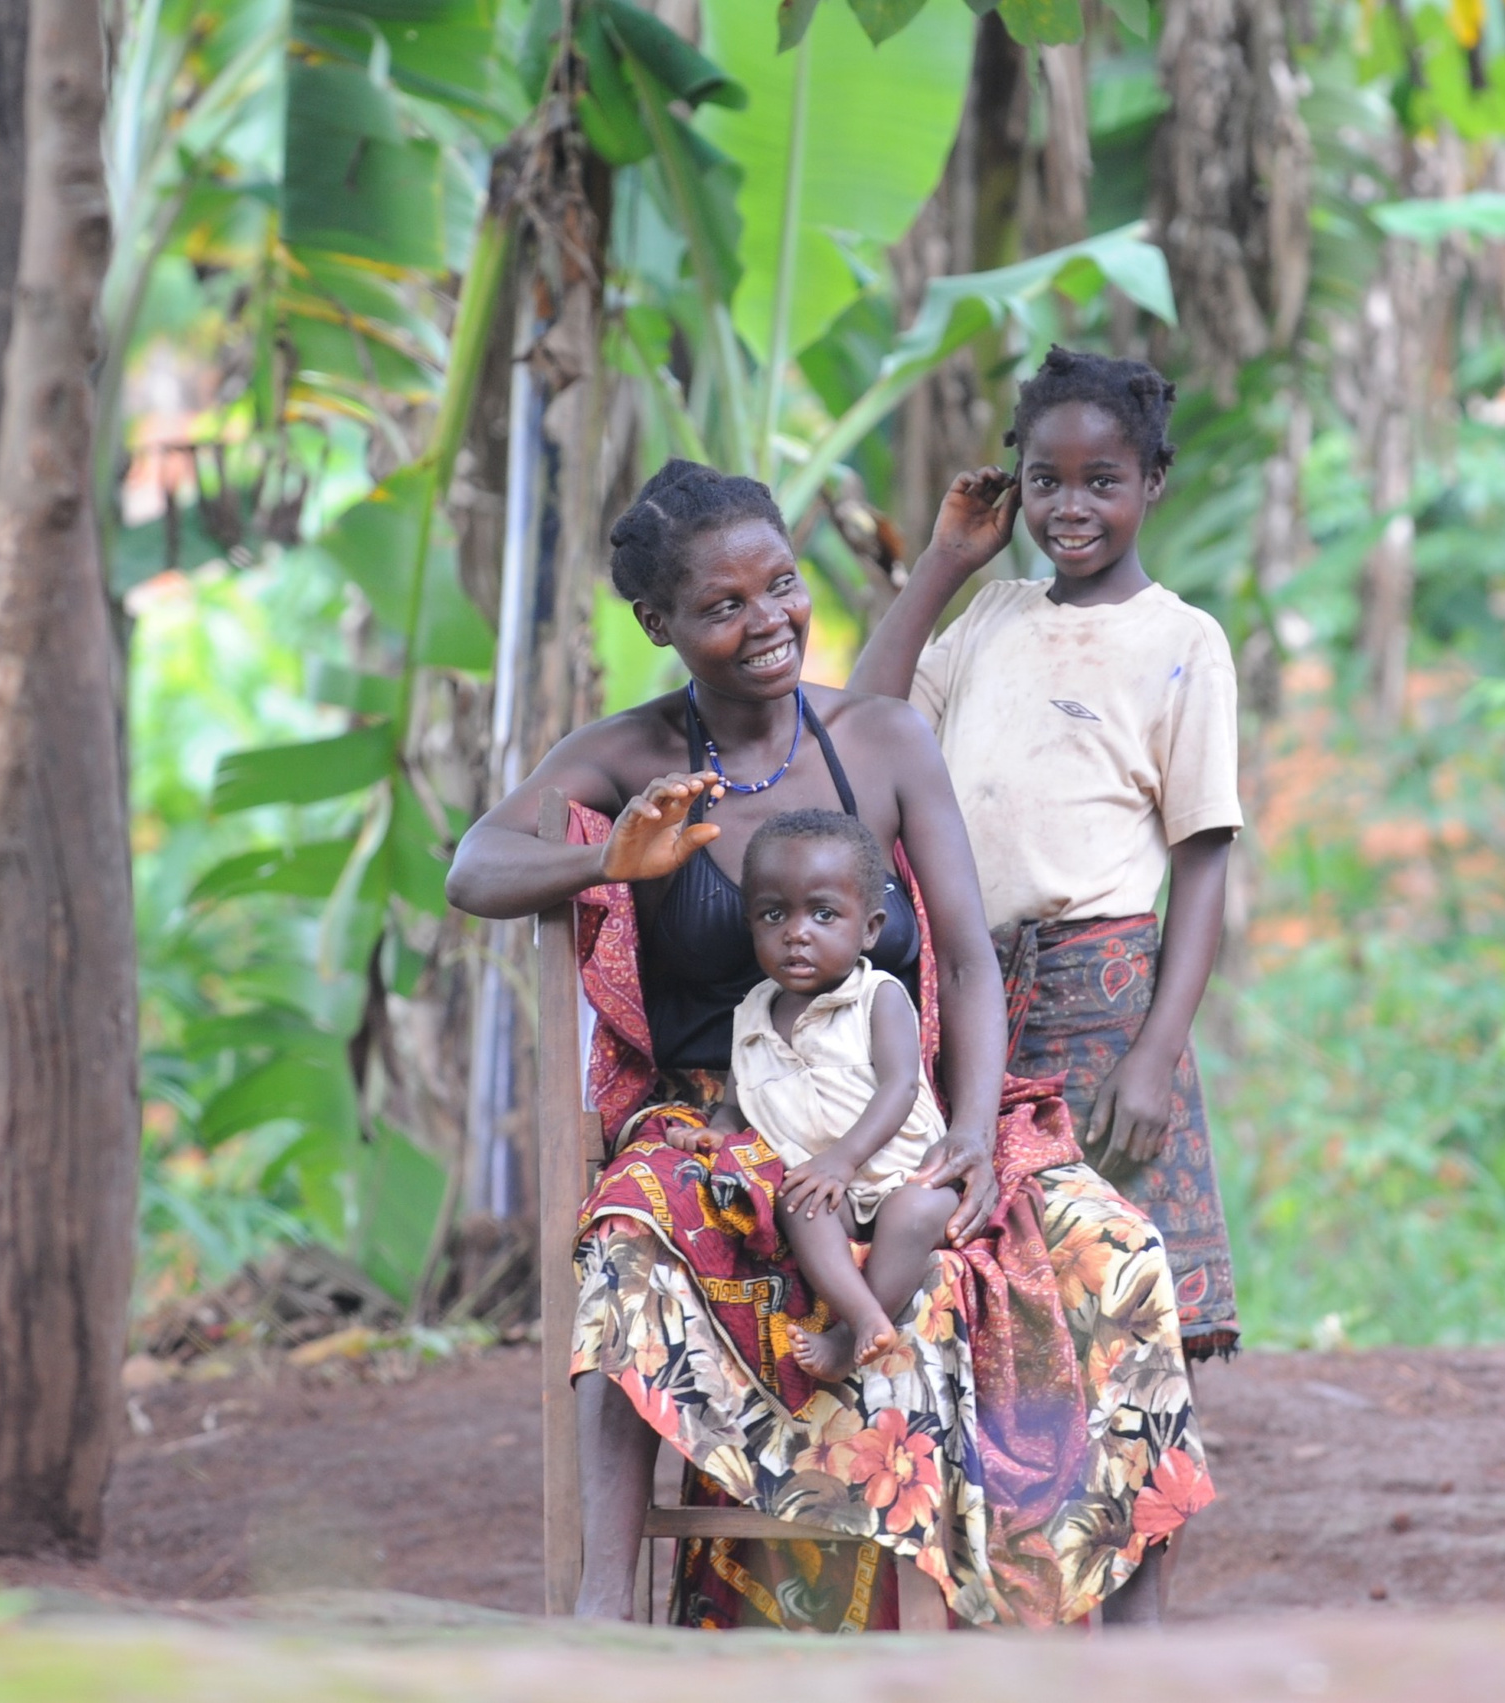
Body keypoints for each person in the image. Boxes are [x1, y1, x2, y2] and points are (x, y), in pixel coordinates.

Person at [445, 458, 1210, 1631]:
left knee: (1115, 1247)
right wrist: (607, 860)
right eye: (722, 605)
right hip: (717, 1113)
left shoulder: (883, 739)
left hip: (896, 1103)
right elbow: (475, 866)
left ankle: (1132, 1634)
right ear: (659, 624)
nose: (769, 623)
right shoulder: (630, 753)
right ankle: (602, 1609)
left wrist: (964, 1135)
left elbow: (959, 955)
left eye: (782, 587)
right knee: (628, 1238)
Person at [850, 347, 1242, 1360]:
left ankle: (1132, 1513)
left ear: (1152, 483)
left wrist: (1154, 1052)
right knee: (984, 1272)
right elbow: (867, 718)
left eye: (1103, 482)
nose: (1071, 506)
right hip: (966, 984)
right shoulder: (991, 614)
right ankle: (1005, 1510)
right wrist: (944, 561)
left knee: (1106, 1279)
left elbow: (1203, 859)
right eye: (1046, 481)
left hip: (1095, 997)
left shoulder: (1182, 640)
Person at [688, 809, 955, 1380]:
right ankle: (861, 1319)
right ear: (751, 925)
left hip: (900, 1173)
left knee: (919, 1209)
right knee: (795, 1203)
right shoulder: (752, 1013)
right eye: (773, 915)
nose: (797, 932)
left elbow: (901, 1085)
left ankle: (848, 1332)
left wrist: (843, 1159)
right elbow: (739, 1100)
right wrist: (717, 1128)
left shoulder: (875, 996)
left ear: (870, 929)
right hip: (822, 1187)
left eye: (824, 914)